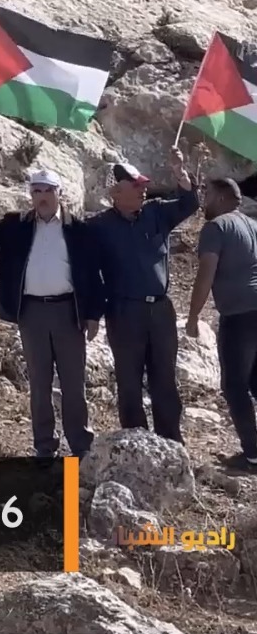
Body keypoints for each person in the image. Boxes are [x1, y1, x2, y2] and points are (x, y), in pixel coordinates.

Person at [0, 170, 104, 459]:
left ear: (60, 193)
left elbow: (93, 276)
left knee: (73, 382)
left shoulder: (79, 229)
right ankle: (44, 445)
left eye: (48, 191)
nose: (42, 197)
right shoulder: (17, 225)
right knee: (39, 382)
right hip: (32, 313)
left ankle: (80, 445)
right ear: (31, 195)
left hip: (68, 312)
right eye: (37, 191)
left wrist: (93, 315)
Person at [87, 149, 201, 444]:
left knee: (165, 380)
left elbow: (190, 203)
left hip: (161, 312)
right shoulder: (98, 227)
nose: (143, 189)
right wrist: (92, 315)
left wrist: (180, 174)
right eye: (136, 185)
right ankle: (137, 443)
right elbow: (90, 275)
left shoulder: (156, 213)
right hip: (124, 313)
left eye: (143, 184)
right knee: (129, 382)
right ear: (115, 192)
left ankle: (170, 442)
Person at [187, 176, 257, 469]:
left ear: (221, 198)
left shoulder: (216, 227)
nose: (204, 201)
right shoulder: (253, 225)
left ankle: (252, 454)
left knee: (234, 385)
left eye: (208, 195)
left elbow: (206, 273)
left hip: (239, 316)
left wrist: (193, 316)